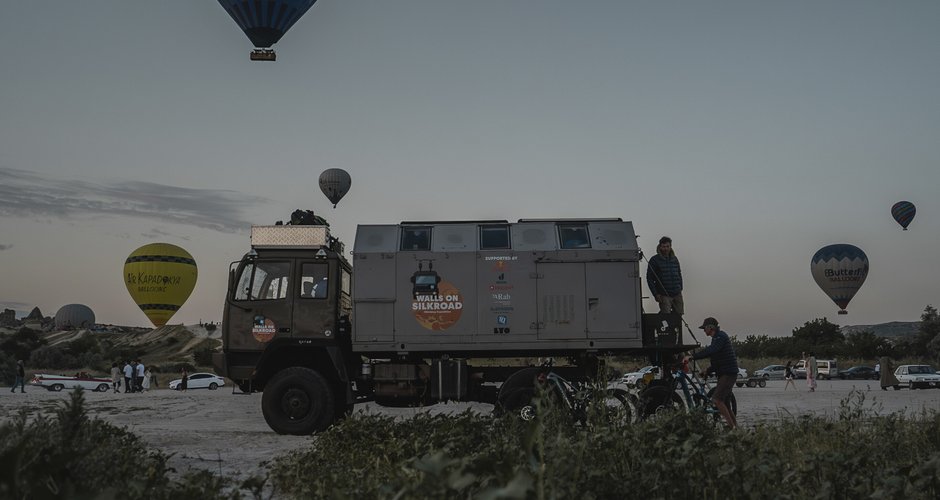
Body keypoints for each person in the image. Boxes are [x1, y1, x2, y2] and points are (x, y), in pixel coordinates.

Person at [683, 317, 738, 429]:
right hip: (724, 372)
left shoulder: (720, 337)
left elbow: (711, 351)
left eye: (704, 328)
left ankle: (732, 429)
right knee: (726, 404)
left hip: (728, 373)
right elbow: (718, 360)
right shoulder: (716, 339)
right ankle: (736, 428)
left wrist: (692, 357)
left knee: (717, 399)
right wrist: (708, 370)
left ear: (710, 327)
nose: (704, 330)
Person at [646, 236, 683, 314]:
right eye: (663, 246)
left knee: (679, 315)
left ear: (670, 247)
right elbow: (649, 278)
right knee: (666, 316)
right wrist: (655, 294)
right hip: (664, 294)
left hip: (677, 293)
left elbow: (679, 274)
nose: (665, 249)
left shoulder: (674, 259)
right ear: (660, 247)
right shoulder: (654, 260)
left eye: (667, 246)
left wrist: (680, 287)